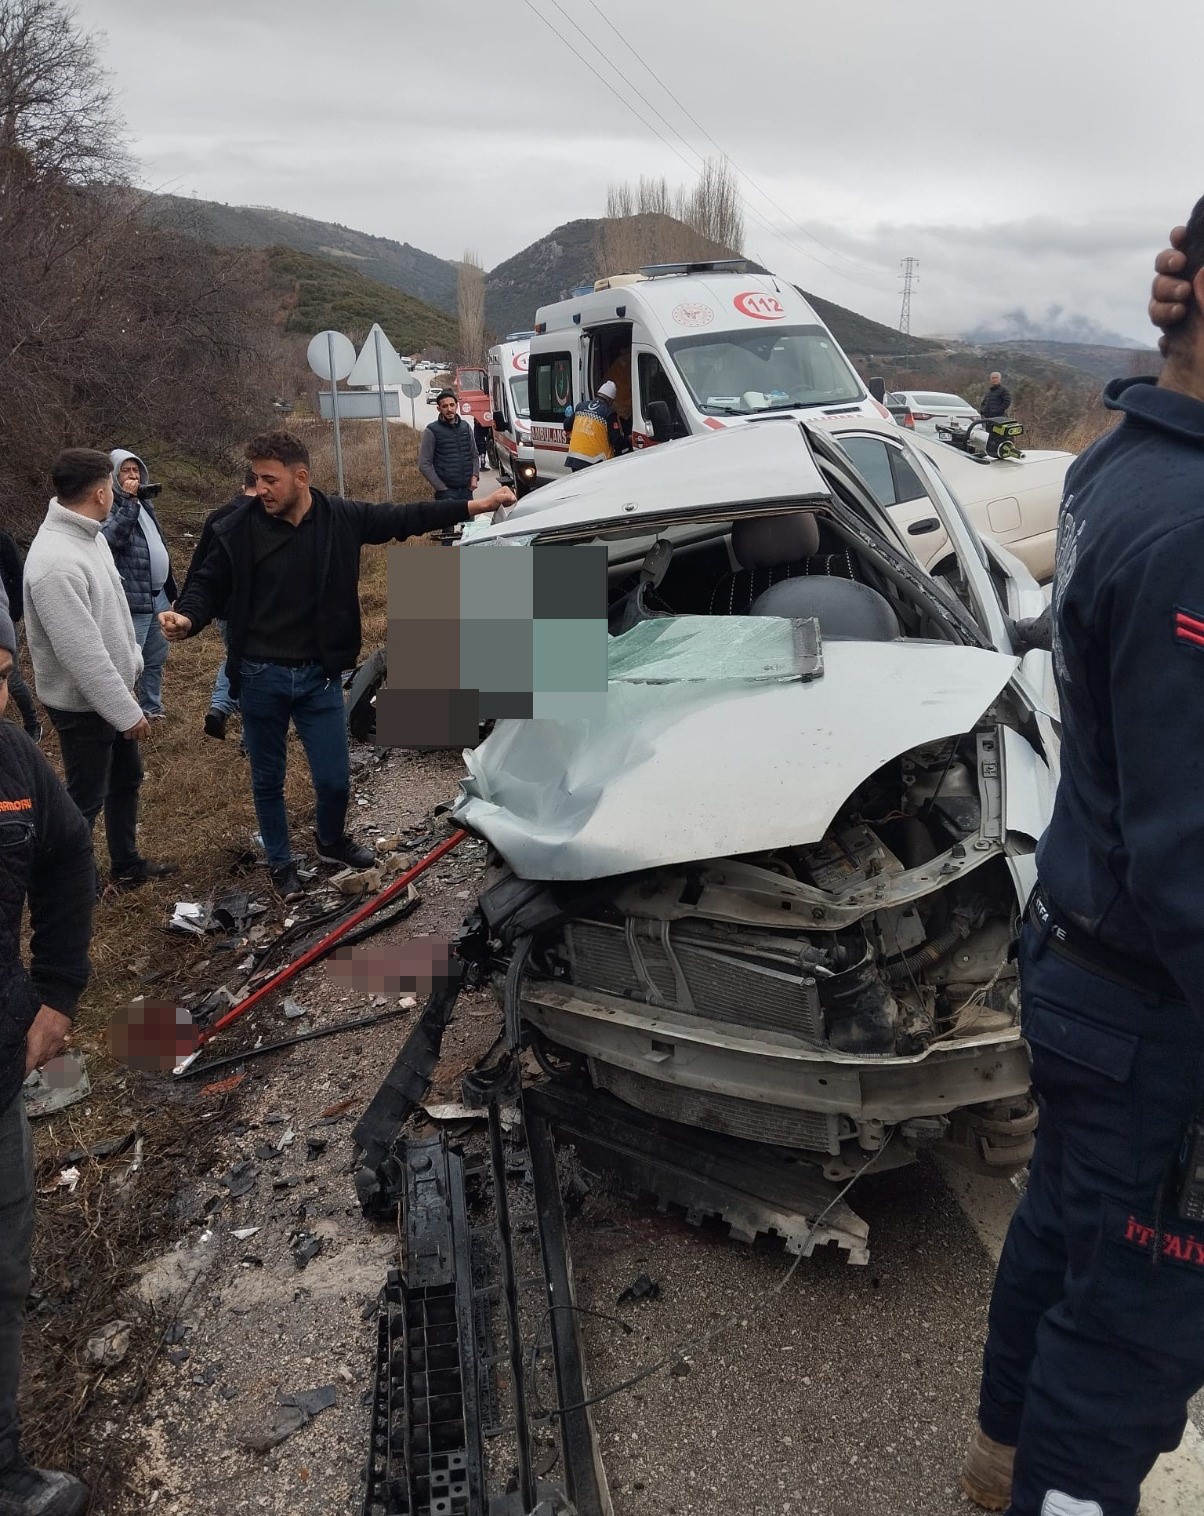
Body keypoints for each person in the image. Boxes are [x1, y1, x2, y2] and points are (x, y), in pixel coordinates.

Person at [960, 198, 1204, 1516]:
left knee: (1061, 1245)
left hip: (1082, 969)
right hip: (1156, 1014)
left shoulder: (1117, 462)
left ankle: (994, 1474)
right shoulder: (1195, 519)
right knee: (1128, 1343)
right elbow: (1197, 868)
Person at [161, 431, 515, 901]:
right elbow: (206, 581)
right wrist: (188, 616)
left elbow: (404, 517)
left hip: (319, 676)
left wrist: (476, 505)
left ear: (300, 477)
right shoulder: (237, 527)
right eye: (256, 478)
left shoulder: (339, 518)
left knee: (333, 777)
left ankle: (330, 841)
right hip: (259, 674)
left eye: (270, 479)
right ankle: (281, 862)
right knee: (267, 777)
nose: (260, 488)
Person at [0, 579, 96, 1516]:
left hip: (0, 1065)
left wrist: (58, 992)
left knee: (4, 1261)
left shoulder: (13, 758)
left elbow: (70, 855)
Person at [23, 449, 174, 893]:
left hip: (114, 693)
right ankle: (69, 885)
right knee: (85, 799)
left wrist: (134, 664)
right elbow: (82, 654)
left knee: (126, 778)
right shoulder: (54, 562)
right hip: (83, 704)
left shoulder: (89, 538)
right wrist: (126, 712)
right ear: (101, 491)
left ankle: (126, 865)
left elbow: (114, 614)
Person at [178, 469, 260, 742]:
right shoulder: (268, 514)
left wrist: (187, 604)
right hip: (258, 610)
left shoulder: (219, 515)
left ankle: (220, 707)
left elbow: (200, 563)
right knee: (253, 668)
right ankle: (250, 738)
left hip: (223, 608)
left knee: (237, 659)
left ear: (242, 485)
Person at [102, 451, 177, 720]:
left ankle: (151, 708)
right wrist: (129, 502)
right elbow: (111, 540)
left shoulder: (145, 504)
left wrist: (172, 592)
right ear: (112, 475)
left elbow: (158, 547)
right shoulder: (110, 505)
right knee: (130, 661)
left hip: (158, 597)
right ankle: (126, 714)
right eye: (126, 471)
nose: (133, 475)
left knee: (155, 658)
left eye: (136, 470)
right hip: (133, 599)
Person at [0, 534, 41, 742]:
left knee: (12, 679)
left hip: (4, 622)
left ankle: (32, 723)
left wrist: (14, 613)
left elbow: (19, 575)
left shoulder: (4, 540)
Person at [418, 392, 478, 500]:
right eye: (444, 406)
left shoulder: (465, 427)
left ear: (457, 405)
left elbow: (474, 455)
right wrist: (440, 487)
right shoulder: (431, 430)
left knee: (468, 518)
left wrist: (474, 477)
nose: (449, 409)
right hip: (446, 493)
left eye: (452, 405)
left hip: (467, 490)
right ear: (439, 409)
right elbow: (424, 464)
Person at [565, 380, 626, 472]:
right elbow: (616, 441)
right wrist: (628, 440)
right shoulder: (609, 413)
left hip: (574, 458)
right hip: (595, 461)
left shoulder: (581, 406)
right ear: (610, 400)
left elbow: (566, 425)